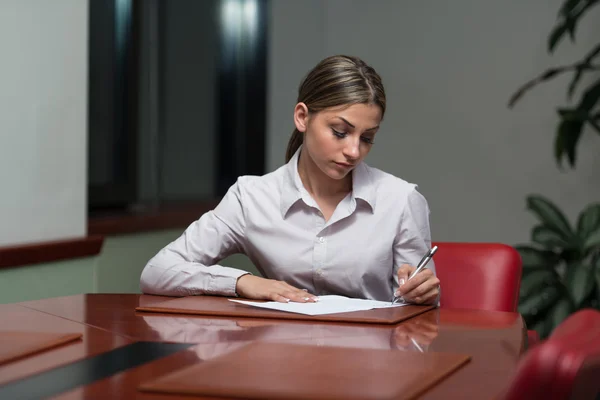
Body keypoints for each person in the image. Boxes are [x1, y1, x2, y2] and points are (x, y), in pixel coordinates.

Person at [140, 55, 440, 305]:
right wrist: (243, 282)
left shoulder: (401, 201)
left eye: (367, 138)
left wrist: (423, 295)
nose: (352, 151)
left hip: (372, 362)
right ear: (302, 117)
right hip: (281, 359)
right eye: (339, 132)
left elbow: (418, 307)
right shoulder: (251, 198)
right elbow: (158, 271)